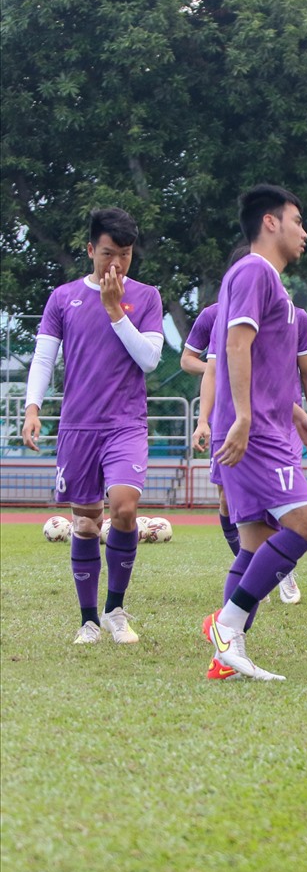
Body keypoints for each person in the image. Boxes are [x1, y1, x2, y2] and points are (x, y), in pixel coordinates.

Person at [201, 184, 307, 682]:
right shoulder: (255, 271)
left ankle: (225, 656)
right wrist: (245, 418)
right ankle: (227, 625)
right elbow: (237, 343)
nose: (304, 231)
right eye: (298, 221)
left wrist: (299, 417)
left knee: (256, 544)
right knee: (305, 525)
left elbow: (270, 367)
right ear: (271, 223)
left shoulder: (269, 282)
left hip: (268, 426)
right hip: (253, 435)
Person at [22, 207, 163, 644]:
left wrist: (114, 310)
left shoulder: (147, 298)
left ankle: (115, 611)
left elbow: (150, 359)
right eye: (107, 254)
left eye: (124, 254)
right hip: (78, 427)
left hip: (125, 424)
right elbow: (45, 357)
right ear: (90, 250)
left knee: (123, 509)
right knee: (85, 523)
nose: (116, 264)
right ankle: (88, 620)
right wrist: (32, 407)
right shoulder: (63, 298)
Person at [195, 305, 307, 607]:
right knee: (243, 519)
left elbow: (306, 373)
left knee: (296, 520)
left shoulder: (296, 317)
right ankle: (233, 621)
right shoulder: (224, 318)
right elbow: (213, 370)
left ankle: (274, 576)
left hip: (281, 427)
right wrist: (204, 419)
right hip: (235, 424)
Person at [180, 302, 242, 558]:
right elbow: (187, 361)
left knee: (270, 499)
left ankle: (278, 570)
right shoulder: (213, 314)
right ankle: (247, 566)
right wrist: (217, 370)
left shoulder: (278, 311)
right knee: (226, 499)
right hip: (223, 419)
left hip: (267, 419)